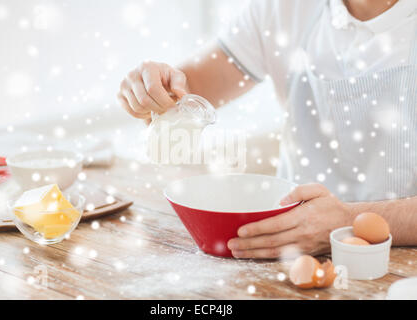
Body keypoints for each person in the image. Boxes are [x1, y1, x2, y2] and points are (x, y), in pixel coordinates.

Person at [117, 0, 417, 258]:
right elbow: (187, 89)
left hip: (402, 260)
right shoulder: (284, 8)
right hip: (284, 250)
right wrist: (152, 86)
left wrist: (346, 221)